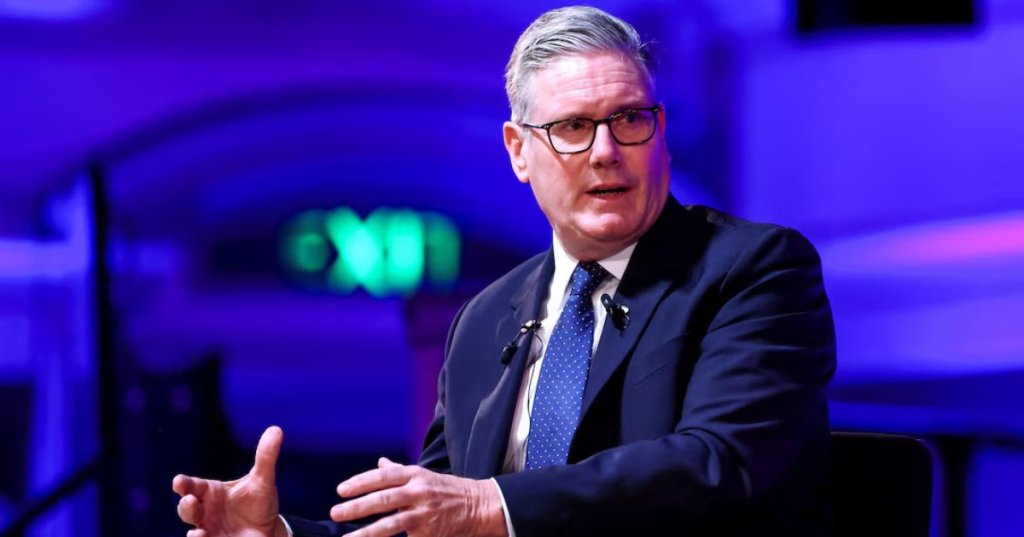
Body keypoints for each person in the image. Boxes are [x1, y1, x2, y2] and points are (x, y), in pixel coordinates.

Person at [173, 6, 836, 536]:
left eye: (630, 119)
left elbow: (716, 464)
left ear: (659, 130)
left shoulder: (752, 270)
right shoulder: (485, 318)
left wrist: (493, 505)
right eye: (573, 127)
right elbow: (431, 519)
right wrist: (284, 533)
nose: (607, 151)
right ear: (519, 151)